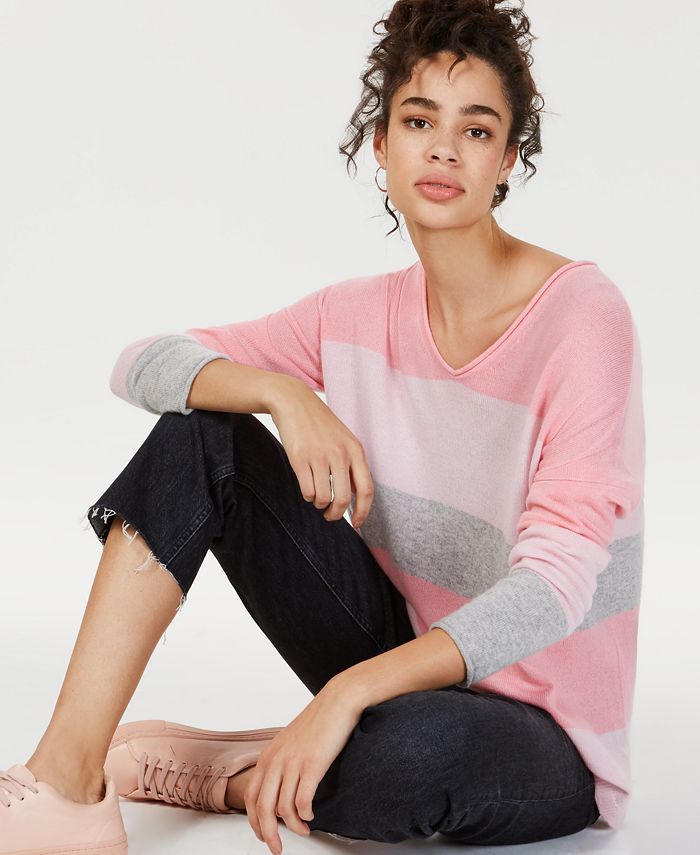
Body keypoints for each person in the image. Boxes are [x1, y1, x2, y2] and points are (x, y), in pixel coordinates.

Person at [1, 0, 645, 852]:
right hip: (404, 657)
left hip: (545, 733)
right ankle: (65, 782)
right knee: (202, 434)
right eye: (419, 120)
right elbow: (141, 363)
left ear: (507, 162)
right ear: (380, 145)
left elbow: (553, 589)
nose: (444, 149)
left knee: (404, 763)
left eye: (477, 130)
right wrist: (283, 395)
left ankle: (238, 770)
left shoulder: (582, 317)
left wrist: (346, 693)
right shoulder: (353, 315)